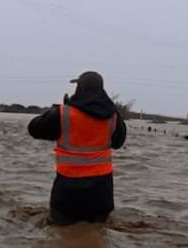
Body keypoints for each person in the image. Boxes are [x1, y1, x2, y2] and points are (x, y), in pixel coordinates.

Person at [28, 71, 127, 225]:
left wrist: (60, 109)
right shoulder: (113, 116)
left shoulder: (64, 113)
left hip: (67, 190)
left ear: (79, 88)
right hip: (101, 192)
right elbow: (118, 142)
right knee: (99, 236)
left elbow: (34, 129)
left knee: (60, 234)